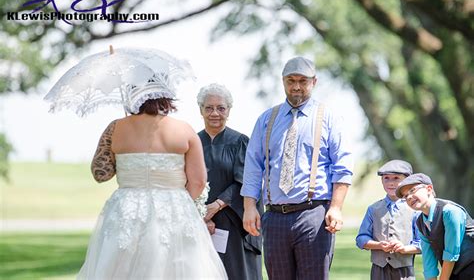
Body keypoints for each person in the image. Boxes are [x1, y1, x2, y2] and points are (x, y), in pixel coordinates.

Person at [77, 84, 227, 278]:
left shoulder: (115, 128)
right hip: (174, 209)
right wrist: (179, 204)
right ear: (165, 95)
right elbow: (198, 182)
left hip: (126, 211)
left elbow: (100, 174)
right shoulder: (184, 130)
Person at [241, 56, 354, 280]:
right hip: (273, 217)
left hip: (313, 214)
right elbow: (253, 166)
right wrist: (249, 207)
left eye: (303, 81)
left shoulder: (329, 118)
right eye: (291, 80)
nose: (296, 86)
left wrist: (336, 207)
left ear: (314, 82)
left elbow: (342, 165)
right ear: (283, 81)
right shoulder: (266, 119)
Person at [197, 83, 263, 280]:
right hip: (199, 223)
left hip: (234, 222)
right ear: (200, 110)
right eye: (209, 107)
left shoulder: (240, 142)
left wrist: (215, 207)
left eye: (221, 108)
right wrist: (202, 215)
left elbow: (248, 182)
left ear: (229, 110)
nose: (215, 113)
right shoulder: (192, 142)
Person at [396, 173, 474, 280]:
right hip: (455, 272)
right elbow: (429, 262)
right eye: (405, 196)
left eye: (412, 190)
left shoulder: (450, 212)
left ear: (429, 189)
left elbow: (451, 254)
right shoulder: (420, 222)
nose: (409, 197)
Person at [356, 159, 421, 280]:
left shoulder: (415, 210)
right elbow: (361, 239)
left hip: (405, 270)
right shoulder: (373, 209)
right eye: (386, 178)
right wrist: (378, 245)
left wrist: (404, 248)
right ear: (381, 180)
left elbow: (422, 243)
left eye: (396, 178)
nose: (391, 183)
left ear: (407, 181)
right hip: (378, 269)